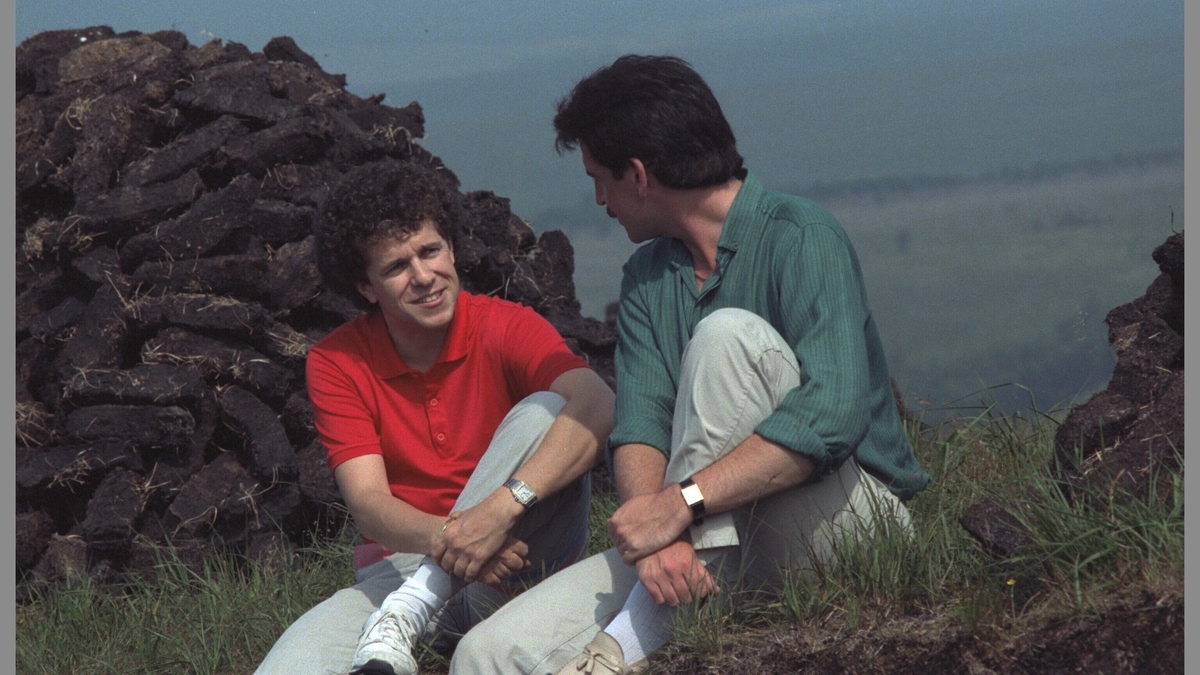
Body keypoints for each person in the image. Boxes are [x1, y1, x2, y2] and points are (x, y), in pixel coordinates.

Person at [451, 55, 932, 675]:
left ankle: (628, 642)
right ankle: (658, 606)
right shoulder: (648, 276)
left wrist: (679, 507)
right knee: (486, 654)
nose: (599, 200)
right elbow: (640, 424)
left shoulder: (802, 235)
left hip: (840, 533)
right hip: (706, 542)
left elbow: (835, 411)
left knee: (724, 336)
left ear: (640, 174)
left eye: (601, 178)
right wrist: (656, 536)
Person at [255, 159, 615, 675]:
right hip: (400, 570)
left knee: (548, 410)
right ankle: (414, 605)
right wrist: (466, 540)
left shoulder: (506, 326)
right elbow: (371, 507)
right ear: (365, 286)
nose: (424, 277)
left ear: (451, 247)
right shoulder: (337, 361)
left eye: (431, 251)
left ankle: (412, 612)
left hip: (517, 564)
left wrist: (498, 514)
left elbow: (598, 403)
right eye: (397, 267)